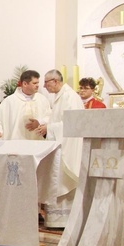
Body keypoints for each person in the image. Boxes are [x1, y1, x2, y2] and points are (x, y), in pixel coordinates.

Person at [39, 69, 84, 228]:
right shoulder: (60, 97)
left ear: (55, 81)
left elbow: (73, 124)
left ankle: (66, 220)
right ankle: (55, 220)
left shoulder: (70, 97)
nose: (44, 86)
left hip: (67, 147)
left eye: (46, 82)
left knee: (63, 181)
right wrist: (45, 126)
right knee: (55, 181)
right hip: (58, 145)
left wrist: (49, 129)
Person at [0, 70, 51, 140]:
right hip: (16, 144)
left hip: (38, 144)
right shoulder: (10, 101)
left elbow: (50, 117)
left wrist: (39, 122)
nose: (37, 85)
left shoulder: (42, 100)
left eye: (38, 83)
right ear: (25, 84)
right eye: (34, 83)